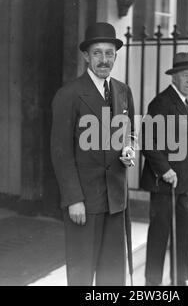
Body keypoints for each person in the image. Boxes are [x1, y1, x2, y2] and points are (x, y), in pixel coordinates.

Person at [50, 22, 136, 286]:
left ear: (115, 56)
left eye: (109, 53)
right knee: (81, 275)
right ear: (86, 56)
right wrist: (74, 199)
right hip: (85, 202)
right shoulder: (69, 94)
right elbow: (60, 152)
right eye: (97, 53)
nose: (103, 59)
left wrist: (128, 150)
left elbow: (128, 133)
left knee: (113, 277)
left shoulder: (123, 91)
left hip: (115, 200)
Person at [140, 52, 188, 286]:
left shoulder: (185, 103)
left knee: (183, 234)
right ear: (174, 77)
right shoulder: (162, 102)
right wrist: (164, 170)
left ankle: (180, 281)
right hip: (165, 184)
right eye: (186, 76)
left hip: (184, 184)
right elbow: (146, 140)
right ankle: (152, 285)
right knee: (159, 235)